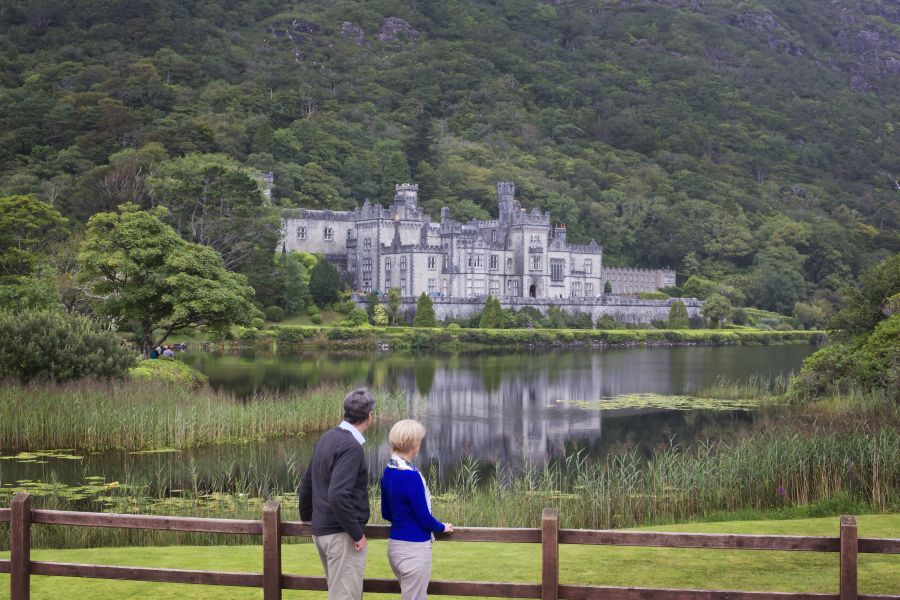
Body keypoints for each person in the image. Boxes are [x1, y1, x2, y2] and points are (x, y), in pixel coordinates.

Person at [299, 388, 376, 600]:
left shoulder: (327, 437)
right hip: (341, 535)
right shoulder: (351, 447)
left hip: (322, 531)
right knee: (345, 596)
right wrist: (357, 533)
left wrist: (307, 518)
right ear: (370, 416)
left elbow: (306, 482)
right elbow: (338, 495)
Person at [381, 419, 453, 600]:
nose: (420, 442)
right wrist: (442, 527)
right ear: (414, 444)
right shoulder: (410, 476)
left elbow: (386, 513)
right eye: (419, 439)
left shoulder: (389, 471)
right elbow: (423, 517)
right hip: (413, 550)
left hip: (395, 548)